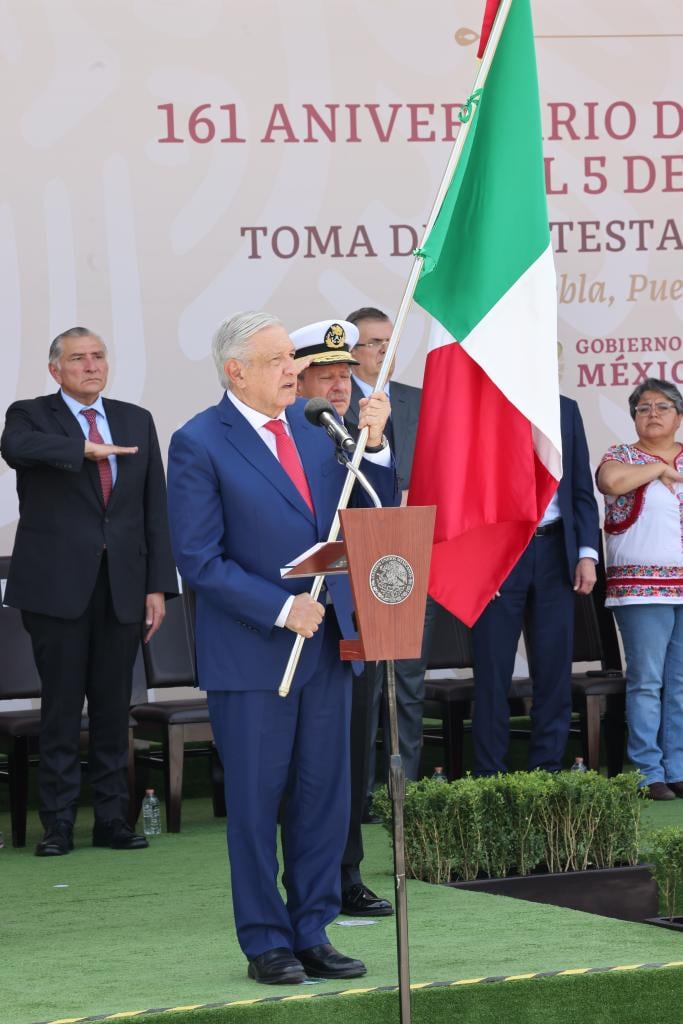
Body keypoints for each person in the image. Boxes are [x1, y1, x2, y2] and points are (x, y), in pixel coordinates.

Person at [166, 312, 397, 985]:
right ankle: (265, 941)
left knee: (323, 796)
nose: (292, 371)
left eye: (289, 361)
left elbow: (369, 511)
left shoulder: (314, 426)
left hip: (325, 646)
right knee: (258, 801)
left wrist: (373, 445)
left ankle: (312, 929)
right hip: (253, 651)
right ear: (235, 369)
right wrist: (278, 607)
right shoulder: (199, 442)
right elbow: (199, 560)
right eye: (276, 361)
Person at [0, 327, 177, 855]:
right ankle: (56, 825)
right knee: (60, 708)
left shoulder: (134, 419)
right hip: (57, 588)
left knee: (111, 707)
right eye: (77, 358)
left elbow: (154, 511)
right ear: (56, 370)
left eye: (98, 356)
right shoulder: (30, 414)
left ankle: (110, 820)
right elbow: (16, 448)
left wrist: (157, 588)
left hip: (122, 588)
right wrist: (84, 449)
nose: (91, 366)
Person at [293, 318, 393, 919]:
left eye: (345, 376)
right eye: (325, 376)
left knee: (355, 751)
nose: (338, 387)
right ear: (296, 377)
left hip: (354, 616)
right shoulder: (284, 435)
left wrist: (374, 446)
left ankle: (347, 873)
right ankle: (305, 879)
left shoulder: (355, 434)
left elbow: (380, 512)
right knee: (301, 761)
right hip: (293, 615)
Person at [471, 395, 600, 775]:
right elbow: (467, 490)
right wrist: (477, 564)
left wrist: (587, 553)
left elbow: (580, 485)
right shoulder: (485, 405)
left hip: (555, 550)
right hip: (498, 552)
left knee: (553, 670)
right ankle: (488, 774)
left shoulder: (565, 409)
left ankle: (548, 768)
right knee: (492, 672)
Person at [344, 307, 430, 800]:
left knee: (410, 682)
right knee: (367, 686)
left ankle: (406, 793)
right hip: (359, 556)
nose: (383, 350)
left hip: (413, 553)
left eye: (389, 341)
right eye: (373, 343)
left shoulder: (417, 401)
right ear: (353, 353)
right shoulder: (335, 403)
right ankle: (360, 794)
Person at [596, 378, 683, 800]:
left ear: (679, 417)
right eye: (644, 407)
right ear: (633, 417)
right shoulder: (621, 456)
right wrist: (658, 469)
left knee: (680, 681)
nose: (653, 413)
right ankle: (648, 771)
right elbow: (611, 483)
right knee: (647, 681)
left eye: (663, 407)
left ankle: (677, 766)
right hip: (641, 589)